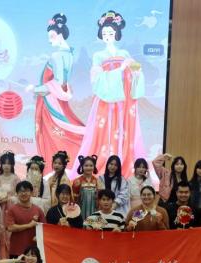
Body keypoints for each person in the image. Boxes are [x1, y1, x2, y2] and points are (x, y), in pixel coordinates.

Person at [72, 10, 146, 176]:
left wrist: (135, 70)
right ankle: (106, 164)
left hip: (124, 98)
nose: (107, 36)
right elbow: (96, 77)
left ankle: (124, 163)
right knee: (105, 129)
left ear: (117, 33)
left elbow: (135, 70)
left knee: (125, 129)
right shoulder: (98, 55)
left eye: (110, 33)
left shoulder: (124, 53)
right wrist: (119, 69)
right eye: (104, 33)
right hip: (106, 98)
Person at [27, 13, 86, 169]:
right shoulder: (69, 53)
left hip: (51, 102)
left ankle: (56, 169)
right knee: (59, 133)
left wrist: (35, 89)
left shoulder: (57, 55)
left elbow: (57, 82)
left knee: (53, 136)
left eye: (52, 36)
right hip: (58, 100)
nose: (50, 40)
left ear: (60, 34)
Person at [6, 181, 46, 258]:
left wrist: (38, 236)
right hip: (16, 250)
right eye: (21, 191)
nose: (23, 193)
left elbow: (44, 228)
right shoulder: (12, 209)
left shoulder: (38, 210)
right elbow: (10, 227)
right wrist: (29, 225)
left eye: (27, 191)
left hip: (34, 252)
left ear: (31, 193)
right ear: (17, 194)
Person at [0, 151, 20, 259]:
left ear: (12, 165)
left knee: (10, 232)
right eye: (4, 163)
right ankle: (1, 258)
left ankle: (11, 258)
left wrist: (8, 199)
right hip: (0, 209)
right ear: (1, 165)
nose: (6, 166)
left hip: (11, 210)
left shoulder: (16, 179)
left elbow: (18, 195)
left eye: (9, 163)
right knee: (1, 231)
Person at [71, 155, 102, 221]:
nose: (88, 168)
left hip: (94, 210)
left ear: (94, 166)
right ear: (82, 166)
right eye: (86, 165)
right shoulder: (77, 181)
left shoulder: (98, 181)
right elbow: (73, 199)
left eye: (91, 165)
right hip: (80, 210)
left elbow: (101, 198)